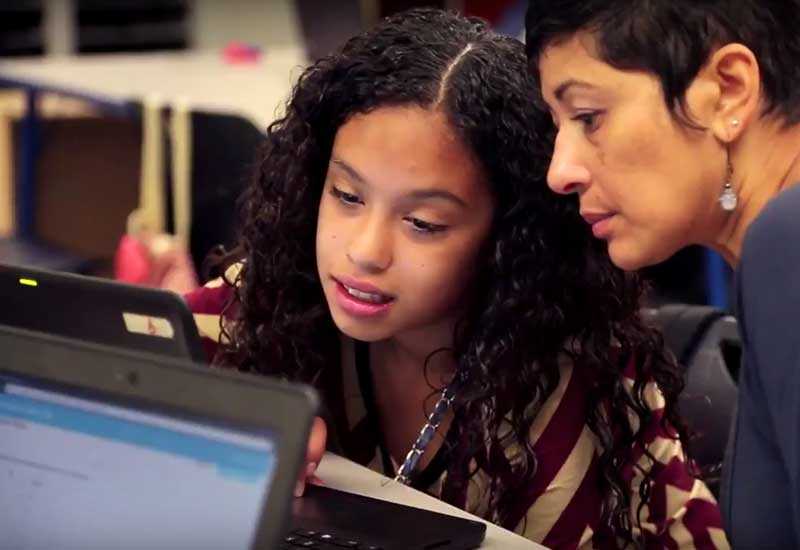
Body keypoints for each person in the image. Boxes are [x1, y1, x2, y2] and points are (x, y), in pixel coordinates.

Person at [188, 8, 725, 547]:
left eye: (424, 223)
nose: (365, 251)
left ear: (508, 238)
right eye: (348, 196)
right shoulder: (254, 306)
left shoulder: (587, 382)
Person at [525, 1, 800, 547]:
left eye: (588, 116)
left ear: (727, 89)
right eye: (558, 127)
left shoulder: (786, 241)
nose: (560, 171)